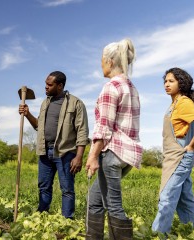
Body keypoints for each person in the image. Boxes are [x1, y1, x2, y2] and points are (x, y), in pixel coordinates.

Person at [85, 38, 141, 239]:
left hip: (111, 154)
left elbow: (104, 127)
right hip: (126, 155)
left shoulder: (111, 87)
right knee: (95, 199)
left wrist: (92, 156)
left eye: (101, 59)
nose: (100, 63)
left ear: (109, 61)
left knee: (114, 206)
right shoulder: (131, 87)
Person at [18, 71, 89, 219]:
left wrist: (79, 156)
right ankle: (42, 217)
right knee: (43, 187)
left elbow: (82, 132)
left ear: (60, 86)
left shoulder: (76, 103)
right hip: (45, 151)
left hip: (65, 152)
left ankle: (67, 221)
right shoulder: (46, 103)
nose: (45, 87)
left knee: (67, 189)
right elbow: (39, 126)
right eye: (45, 84)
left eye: (49, 85)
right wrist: (27, 114)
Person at [151, 67, 194, 234]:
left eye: (171, 81)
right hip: (174, 157)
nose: (166, 84)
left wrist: (191, 145)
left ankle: (158, 235)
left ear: (181, 83)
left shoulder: (183, 102)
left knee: (166, 198)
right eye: (165, 81)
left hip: (179, 158)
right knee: (185, 200)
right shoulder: (174, 104)